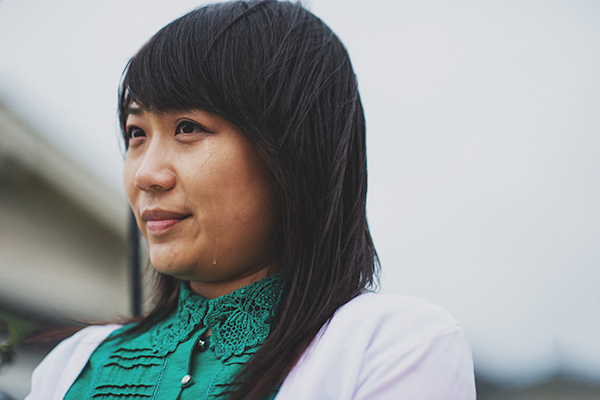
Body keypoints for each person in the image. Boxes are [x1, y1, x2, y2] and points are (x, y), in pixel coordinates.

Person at [26, 1, 475, 399]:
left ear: (293, 151)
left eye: (188, 127)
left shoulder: (391, 347)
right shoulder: (69, 367)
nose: (145, 174)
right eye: (136, 133)